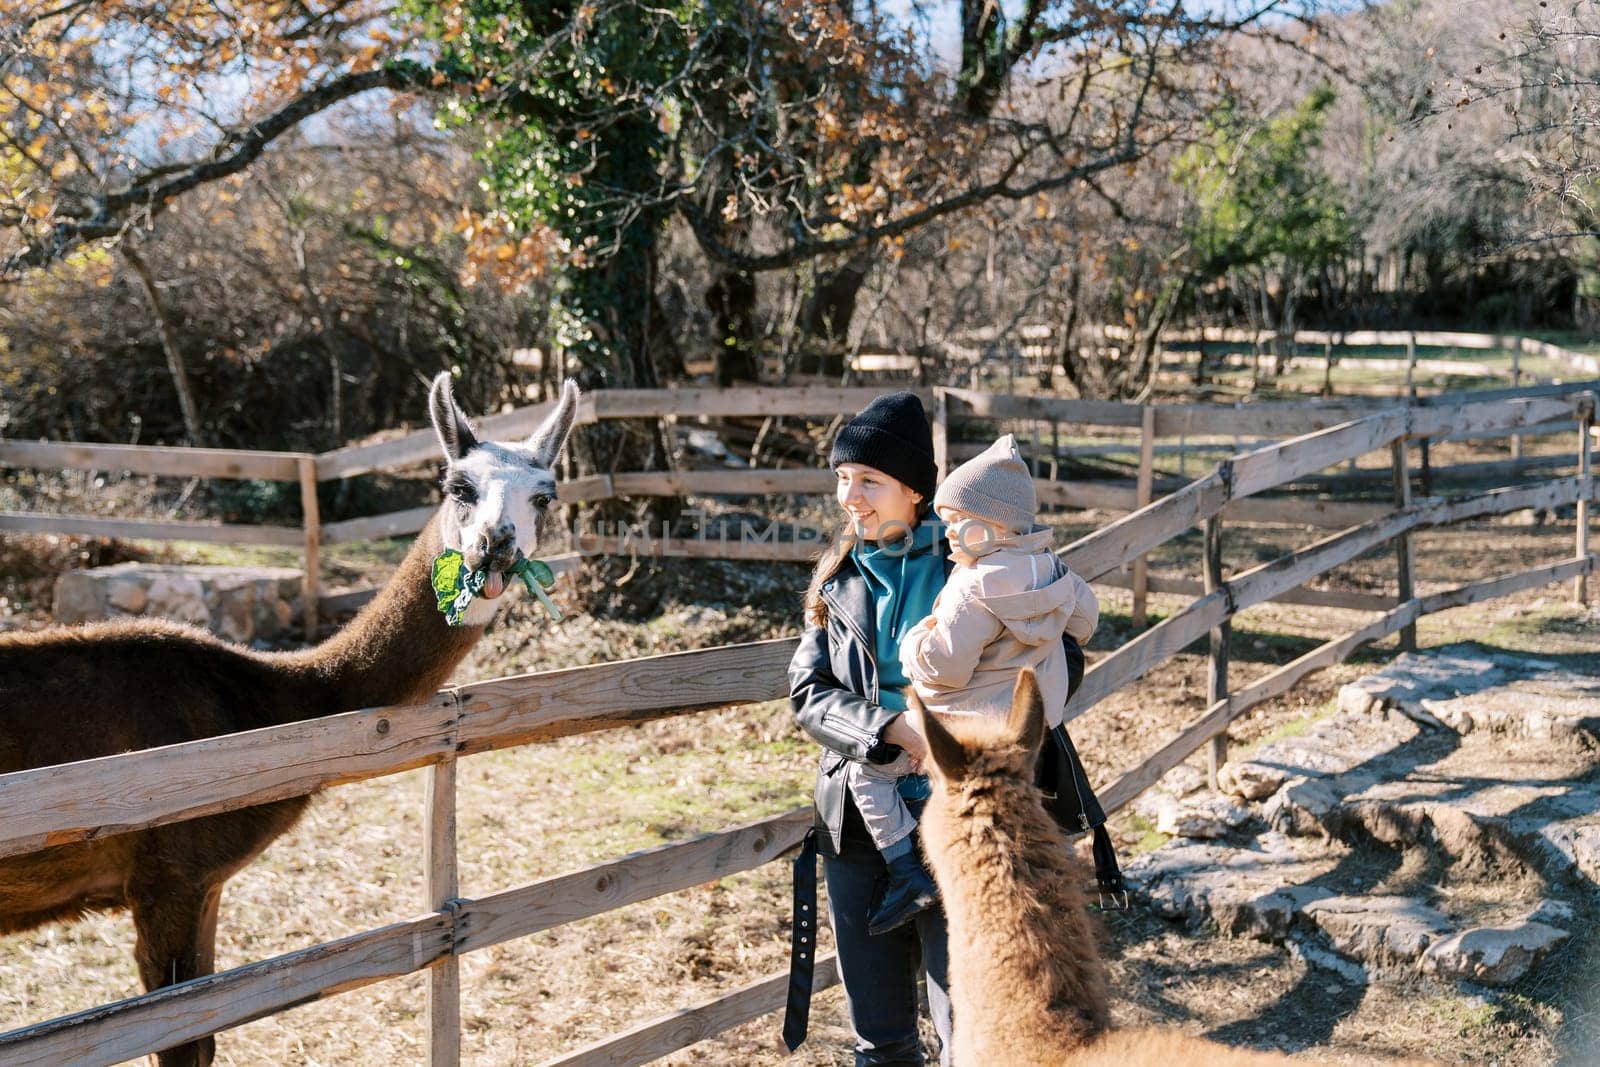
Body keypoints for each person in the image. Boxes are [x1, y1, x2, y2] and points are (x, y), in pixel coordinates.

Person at [785, 393, 1106, 1067]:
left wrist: (984, 729)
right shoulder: (839, 579)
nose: (851, 497)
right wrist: (894, 728)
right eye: (843, 479)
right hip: (861, 816)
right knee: (879, 1036)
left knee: (972, 1028)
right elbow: (809, 692)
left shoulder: (976, 560)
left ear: (913, 490)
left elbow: (1060, 654)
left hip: (965, 822)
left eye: (868, 480)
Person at [842, 433, 1099, 935]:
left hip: (961, 721)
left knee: (865, 773)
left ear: (995, 523)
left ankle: (905, 870)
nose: (950, 533)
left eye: (960, 523)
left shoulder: (970, 585)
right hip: (1021, 729)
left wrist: (917, 638)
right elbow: (1085, 623)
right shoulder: (1051, 569)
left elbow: (944, 667)